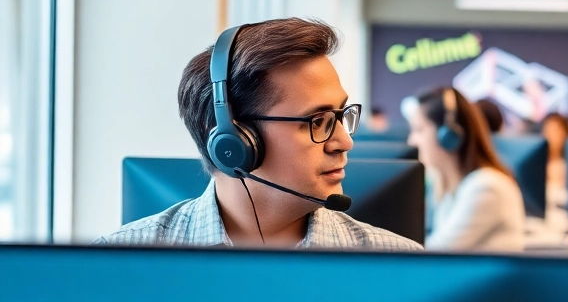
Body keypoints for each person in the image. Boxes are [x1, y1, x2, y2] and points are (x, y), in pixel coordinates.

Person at [98, 19, 421, 251]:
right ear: (234, 143)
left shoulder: (398, 265)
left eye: (341, 116)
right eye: (318, 120)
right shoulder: (119, 265)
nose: (345, 142)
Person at [406, 86, 525, 251]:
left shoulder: (486, 187)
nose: (412, 141)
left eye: (419, 130)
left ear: (448, 135)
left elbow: (433, 256)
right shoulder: (446, 184)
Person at [540, 112, 568, 209]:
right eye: (547, 131)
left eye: (555, 131)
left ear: (566, 133)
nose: (550, 136)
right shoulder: (534, 166)